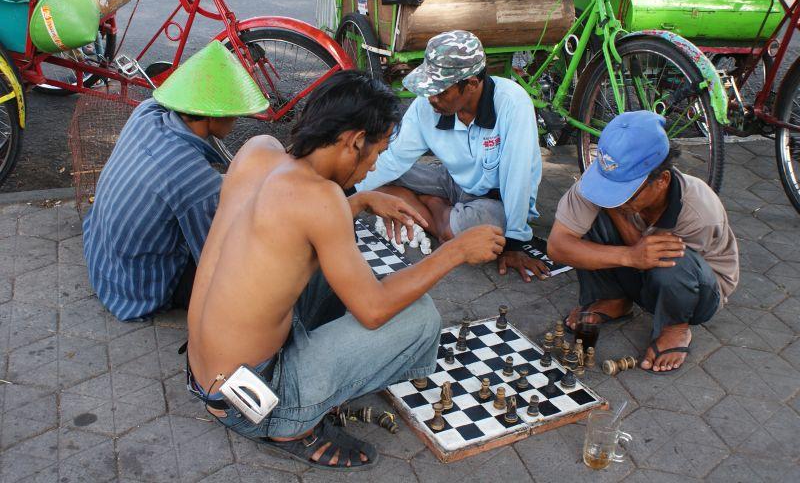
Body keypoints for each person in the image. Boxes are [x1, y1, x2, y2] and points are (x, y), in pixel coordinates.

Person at [186, 70, 505, 470]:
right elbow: (373, 309)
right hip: (254, 402)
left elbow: (282, 226)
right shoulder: (322, 199)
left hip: (206, 378)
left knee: (339, 264)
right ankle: (292, 426)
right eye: (375, 152)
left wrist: (361, 201)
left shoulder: (259, 150)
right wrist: (455, 251)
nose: (373, 166)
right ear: (354, 141)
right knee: (420, 315)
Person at [82, 40, 268, 321]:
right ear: (211, 116)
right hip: (136, 289)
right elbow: (215, 256)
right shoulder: (196, 181)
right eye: (234, 113)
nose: (238, 119)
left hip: (101, 258)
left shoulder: (146, 112)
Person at [548, 111, 738, 373]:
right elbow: (558, 245)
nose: (616, 199)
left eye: (626, 192)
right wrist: (629, 255)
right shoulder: (605, 175)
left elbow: (671, 273)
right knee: (587, 221)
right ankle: (613, 298)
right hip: (641, 267)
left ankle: (675, 327)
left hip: (698, 291)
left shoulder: (700, 211)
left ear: (661, 181)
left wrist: (633, 247)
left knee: (671, 258)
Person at [355, 30, 548, 282]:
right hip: (451, 181)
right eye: (429, 88)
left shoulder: (512, 103)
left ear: (472, 84)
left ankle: (432, 204)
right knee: (372, 172)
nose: (431, 98)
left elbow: (518, 179)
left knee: (470, 234)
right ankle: (438, 207)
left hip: (496, 202)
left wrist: (514, 242)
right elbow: (394, 160)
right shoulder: (427, 105)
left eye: (441, 91)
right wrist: (343, 195)